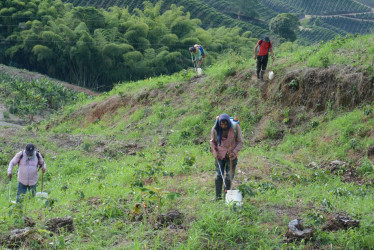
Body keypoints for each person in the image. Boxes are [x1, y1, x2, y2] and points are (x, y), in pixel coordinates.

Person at [210, 114, 244, 201]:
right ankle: (217, 197)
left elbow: (240, 142)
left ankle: (227, 197)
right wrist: (214, 151)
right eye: (222, 124)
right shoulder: (215, 128)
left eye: (225, 124)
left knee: (229, 176)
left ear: (228, 123)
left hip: (231, 155)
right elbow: (213, 142)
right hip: (219, 155)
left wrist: (235, 152)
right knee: (218, 175)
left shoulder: (235, 128)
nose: (223, 126)